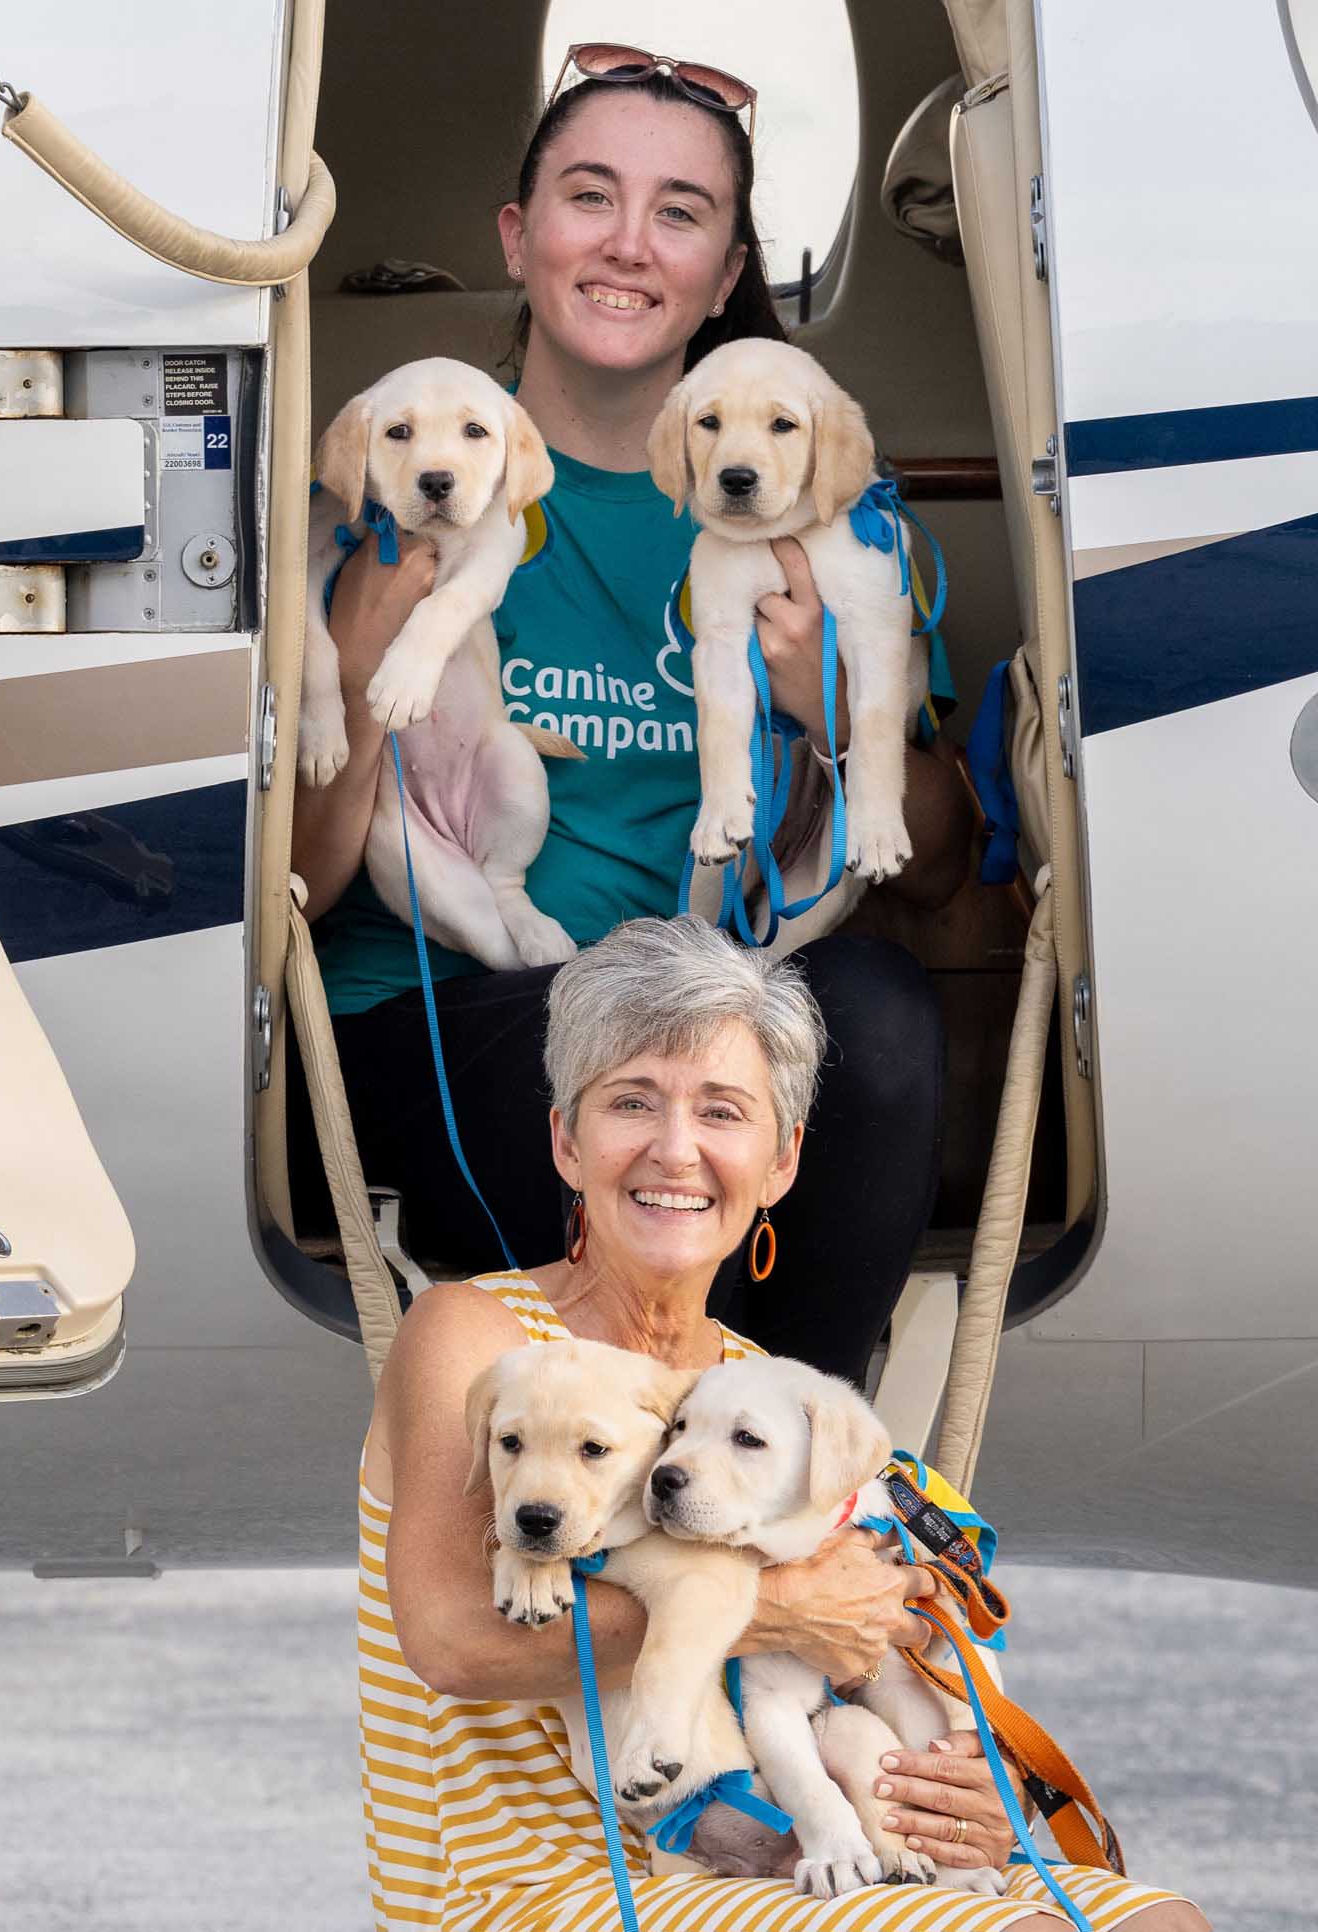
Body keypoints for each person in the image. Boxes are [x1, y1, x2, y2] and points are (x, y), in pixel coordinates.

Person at [293, 48, 980, 1386]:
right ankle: (648, 1455)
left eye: (679, 213)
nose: (627, 245)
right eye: (589, 196)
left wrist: (836, 710)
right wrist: (368, 672)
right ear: (519, 235)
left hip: (723, 1020)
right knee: (594, 1053)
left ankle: (792, 1449)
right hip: (455, 1010)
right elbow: (305, 892)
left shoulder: (817, 516)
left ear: (726, 271)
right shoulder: (386, 510)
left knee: (882, 1020)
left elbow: (941, 864)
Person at [357, 915, 1206, 1930]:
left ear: (781, 1163)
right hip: (535, 1889)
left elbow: (857, 1656)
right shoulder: (484, 1338)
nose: (676, 1150)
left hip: (784, 1851)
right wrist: (784, 1604)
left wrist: (968, 1792)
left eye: (722, 1112)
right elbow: (453, 1640)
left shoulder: (755, 1396)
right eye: (632, 1102)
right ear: (567, 1143)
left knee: (1161, 1923)